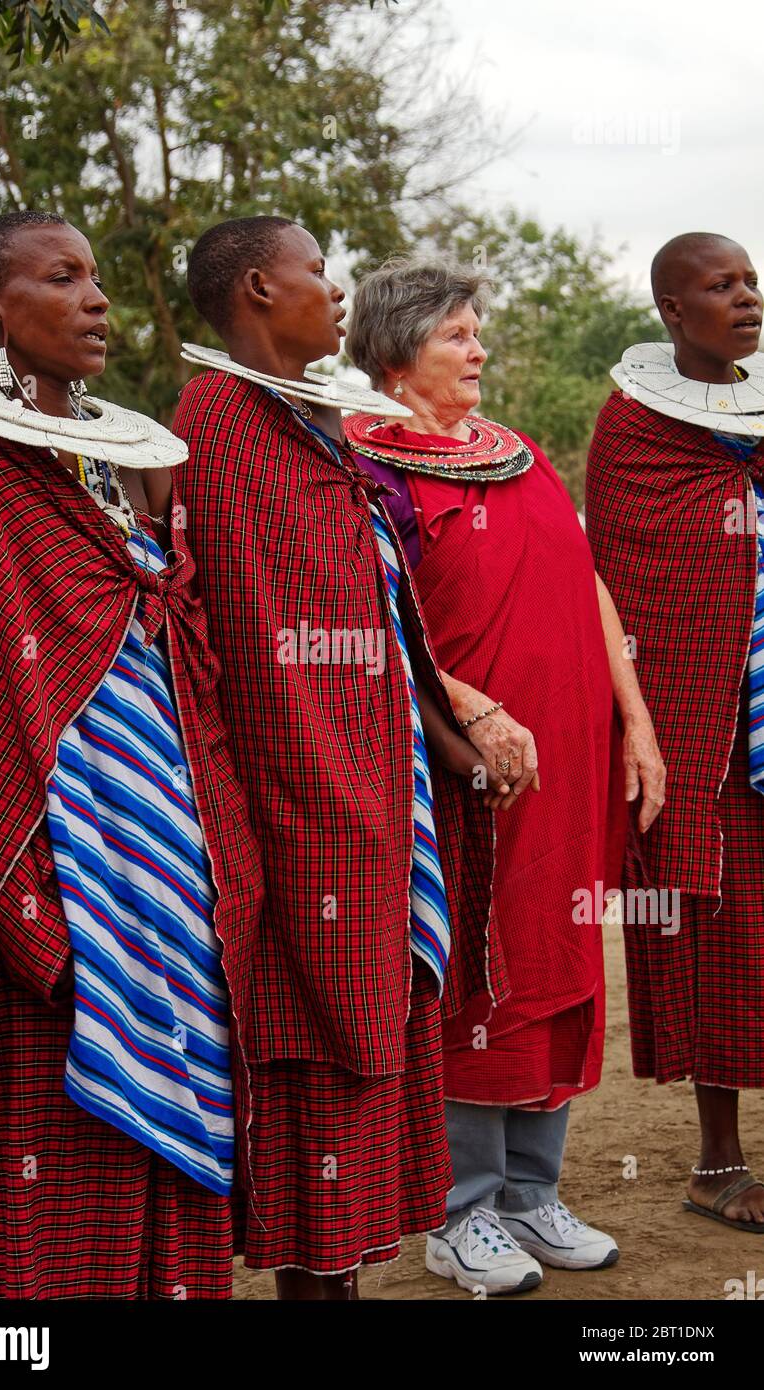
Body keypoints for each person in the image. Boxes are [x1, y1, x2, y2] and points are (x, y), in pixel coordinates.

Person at [0, 210, 264, 1298]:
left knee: (165, 1155)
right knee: (44, 1177)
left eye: (96, 277)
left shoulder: (118, 466)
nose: (97, 299)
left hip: (165, 874)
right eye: (63, 279)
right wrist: (26, 905)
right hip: (42, 878)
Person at [169, 216, 499, 1300]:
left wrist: (433, 742)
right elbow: (250, 641)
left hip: (368, 778)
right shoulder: (218, 420)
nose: (335, 287)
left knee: (363, 1050)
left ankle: (347, 1281)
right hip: (300, 797)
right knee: (309, 1052)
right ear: (260, 289)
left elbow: (368, 601)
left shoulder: (313, 420)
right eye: (316, 270)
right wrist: (326, 791)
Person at [343, 255, 665, 1294]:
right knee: (476, 973)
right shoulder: (362, 467)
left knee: (558, 965)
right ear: (395, 353)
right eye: (455, 335)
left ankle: (532, 1195)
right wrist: (469, 706)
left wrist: (634, 720)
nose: (477, 350)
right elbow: (368, 620)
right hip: (464, 768)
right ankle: (458, 1211)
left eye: (477, 332)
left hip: (567, 761)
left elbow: (589, 586)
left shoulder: (515, 452)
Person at [587, 231, 764, 1234]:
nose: (743, 298)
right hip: (703, 731)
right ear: (668, 309)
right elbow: (627, 565)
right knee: (716, 929)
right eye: (717, 285)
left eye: (748, 281)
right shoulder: (631, 429)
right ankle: (714, 1160)